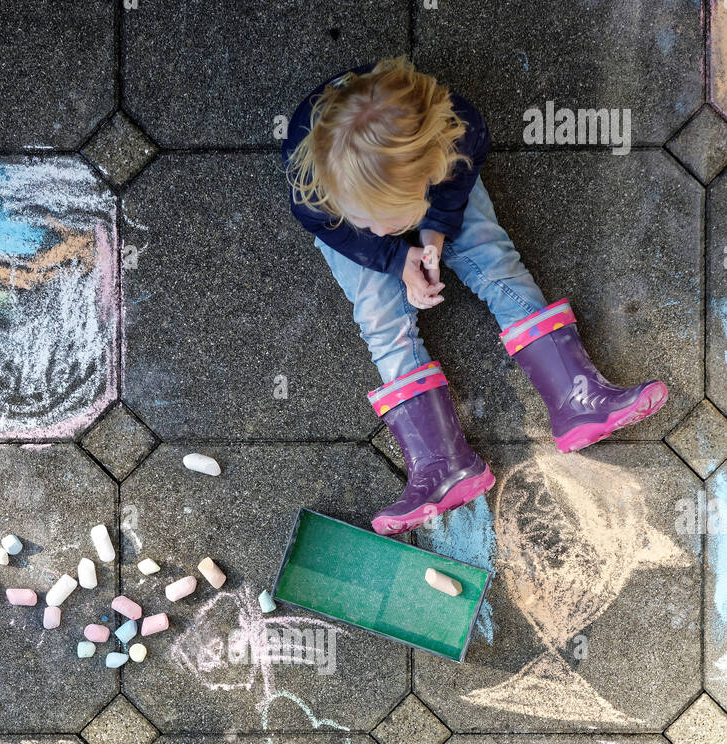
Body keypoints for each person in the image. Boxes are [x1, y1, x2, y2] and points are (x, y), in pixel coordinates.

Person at [283, 57, 667, 536]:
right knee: (379, 315)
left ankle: (579, 398)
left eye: (394, 219)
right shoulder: (314, 185)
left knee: (490, 255)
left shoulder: (456, 136)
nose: (386, 231)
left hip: (418, 186)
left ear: (430, 170)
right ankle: (441, 466)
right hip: (348, 224)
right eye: (372, 219)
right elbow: (329, 226)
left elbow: (452, 190)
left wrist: (433, 234)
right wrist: (391, 257)